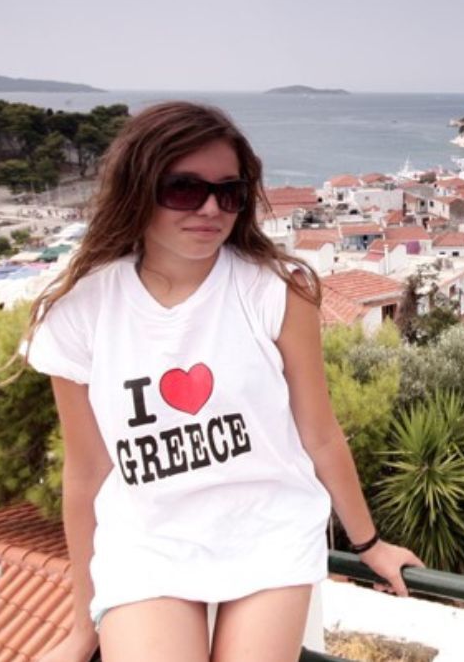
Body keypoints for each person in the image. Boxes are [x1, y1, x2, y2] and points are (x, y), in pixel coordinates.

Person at [25, 102, 422, 662]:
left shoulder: (275, 289)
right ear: (138, 188)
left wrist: (369, 543)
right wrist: (80, 624)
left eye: (228, 192)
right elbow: (86, 471)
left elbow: (320, 433)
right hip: (147, 542)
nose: (211, 208)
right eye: (184, 189)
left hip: (267, 530)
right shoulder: (82, 309)